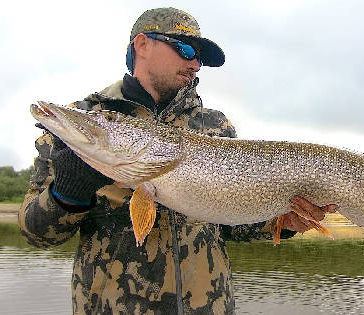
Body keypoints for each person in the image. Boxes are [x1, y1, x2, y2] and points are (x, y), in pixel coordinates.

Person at [19, 7, 336, 315]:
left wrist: (285, 221)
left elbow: (232, 225)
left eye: (200, 58)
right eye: (186, 49)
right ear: (142, 45)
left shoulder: (214, 126)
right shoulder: (85, 124)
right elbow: (37, 234)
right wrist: (70, 191)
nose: (195, 64)